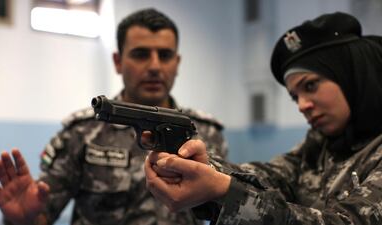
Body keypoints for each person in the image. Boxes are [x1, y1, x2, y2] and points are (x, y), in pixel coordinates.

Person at [0, 8, 228, 225]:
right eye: (141, 54)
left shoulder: (205, 134)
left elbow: (226, 211)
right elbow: (40, 213)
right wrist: (23, 219)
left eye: (164, 55)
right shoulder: (82, 132)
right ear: (118, 61)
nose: (154, 66)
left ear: (177, 63)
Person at [145, 11, 382, 225]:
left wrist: (223, 191)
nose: (302, 105)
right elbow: (270, 175)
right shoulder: (320, 145)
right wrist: (202, 167)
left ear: (352, 77)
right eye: (294, 97)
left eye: (310, 86)